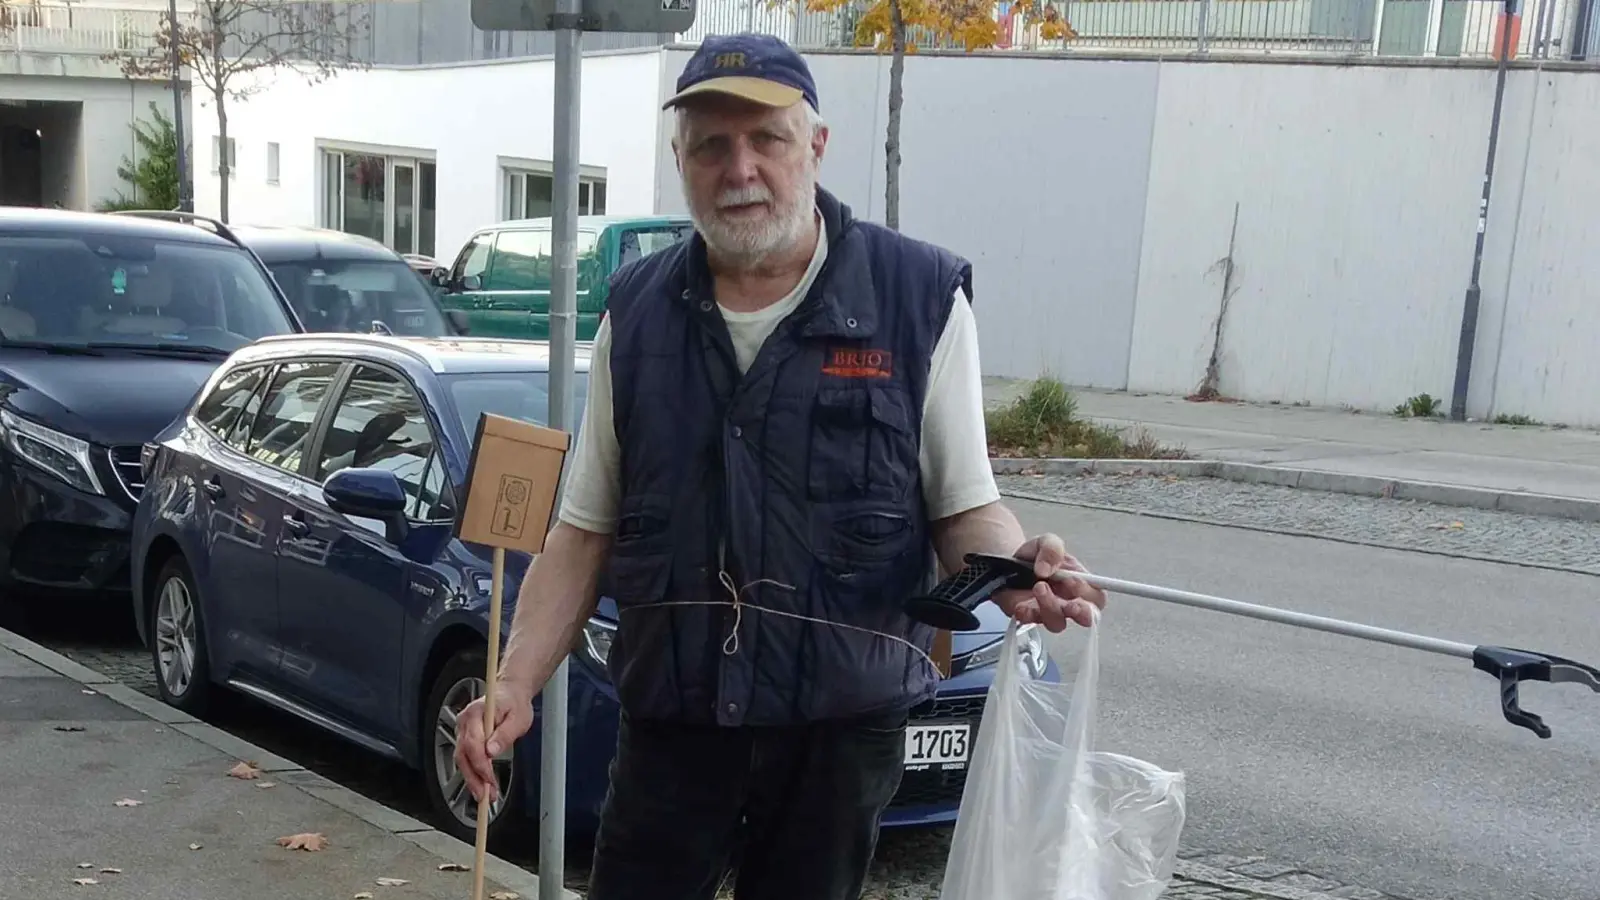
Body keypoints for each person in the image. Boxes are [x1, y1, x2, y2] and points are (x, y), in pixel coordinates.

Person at [454, 31, 1108, 900]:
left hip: (836, 735)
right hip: (674, 723)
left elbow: (963, 506)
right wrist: (514, 681)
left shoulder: (918, 301)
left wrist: (1009, 572)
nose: (741, 168)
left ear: (817, 148)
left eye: (768, 140)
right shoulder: (637, 312)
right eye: (712, 145)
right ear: (680, 159)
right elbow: (585, 528)